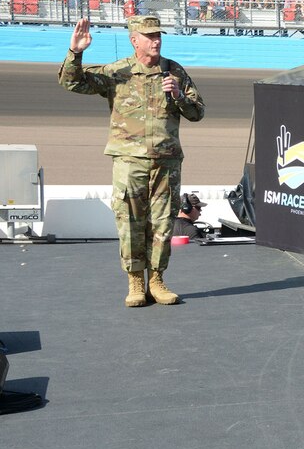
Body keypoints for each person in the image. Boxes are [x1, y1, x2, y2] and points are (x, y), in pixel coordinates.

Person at [59, 15, 205, 307]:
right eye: (149, 36)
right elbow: (72, 83)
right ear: (134, 40)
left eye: (158, 35)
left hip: (166, 162)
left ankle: (157, 279)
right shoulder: (118, 72)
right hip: (129, 161)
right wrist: (76, 52)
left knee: (163, 223)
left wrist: (178, 96)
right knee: (130, 222)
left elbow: (197, 112)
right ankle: (135, 279)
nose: (156, 40)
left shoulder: (174, 72)